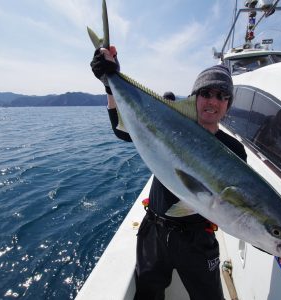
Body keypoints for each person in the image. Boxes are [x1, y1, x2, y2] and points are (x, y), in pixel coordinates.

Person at [91, 47, 247, 300]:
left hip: (198, 240)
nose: (213, 101)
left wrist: (274, 246)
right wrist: (110, 81)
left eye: (222, 96)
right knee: (148, 295)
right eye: (206, 93)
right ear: (194, 97)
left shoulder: (233, 150)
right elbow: (122, 130)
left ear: (228, 104)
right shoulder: (171, 124)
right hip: (154, 231)